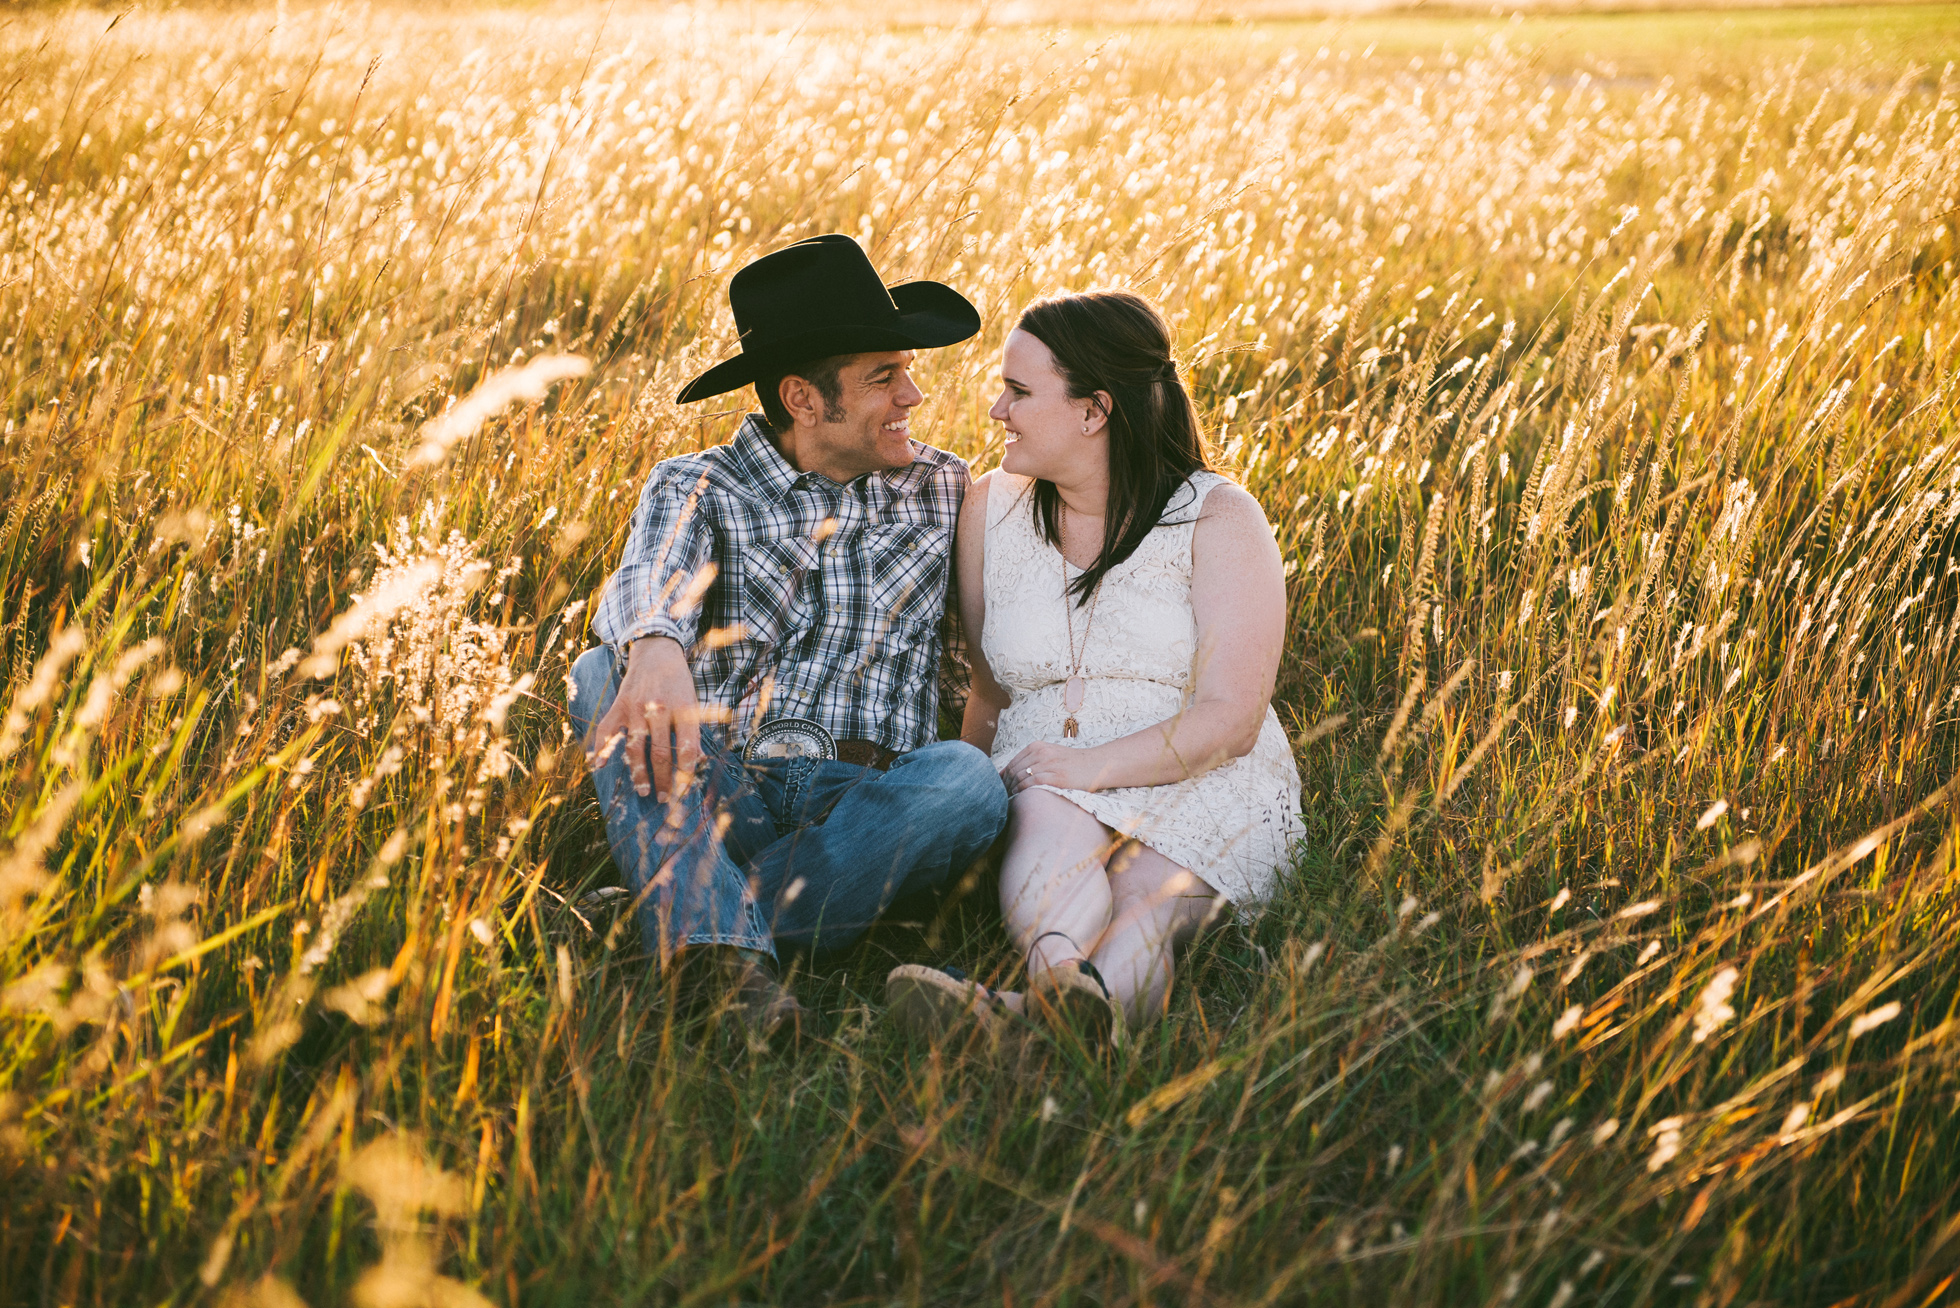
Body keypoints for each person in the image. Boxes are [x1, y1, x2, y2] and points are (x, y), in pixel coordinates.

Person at [571, 234, 1009, 1044]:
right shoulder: (698, 483)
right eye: (884, 377)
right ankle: (726, 958)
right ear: (804, 398)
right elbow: (651, 574)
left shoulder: (946, 486)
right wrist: (656, 646)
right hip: (720, 785)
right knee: (601, 670)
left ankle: (687, 922)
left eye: (907, 370)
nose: (912, 394)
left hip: (868, 804)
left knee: (970, 783)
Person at [885, 291, 1304, 1050]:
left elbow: (1231, 718)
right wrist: (969, 815)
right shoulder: (991, 510)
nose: (995, 411)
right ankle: (1066, 996)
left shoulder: (1217, 518)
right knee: (1047, 804)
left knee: (1144, 894)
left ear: (1094, 411)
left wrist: (1090, 766)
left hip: (1198, 771)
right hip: (1046, 775)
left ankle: (1026, 1022)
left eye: (1017, 392)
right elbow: (988, 688)